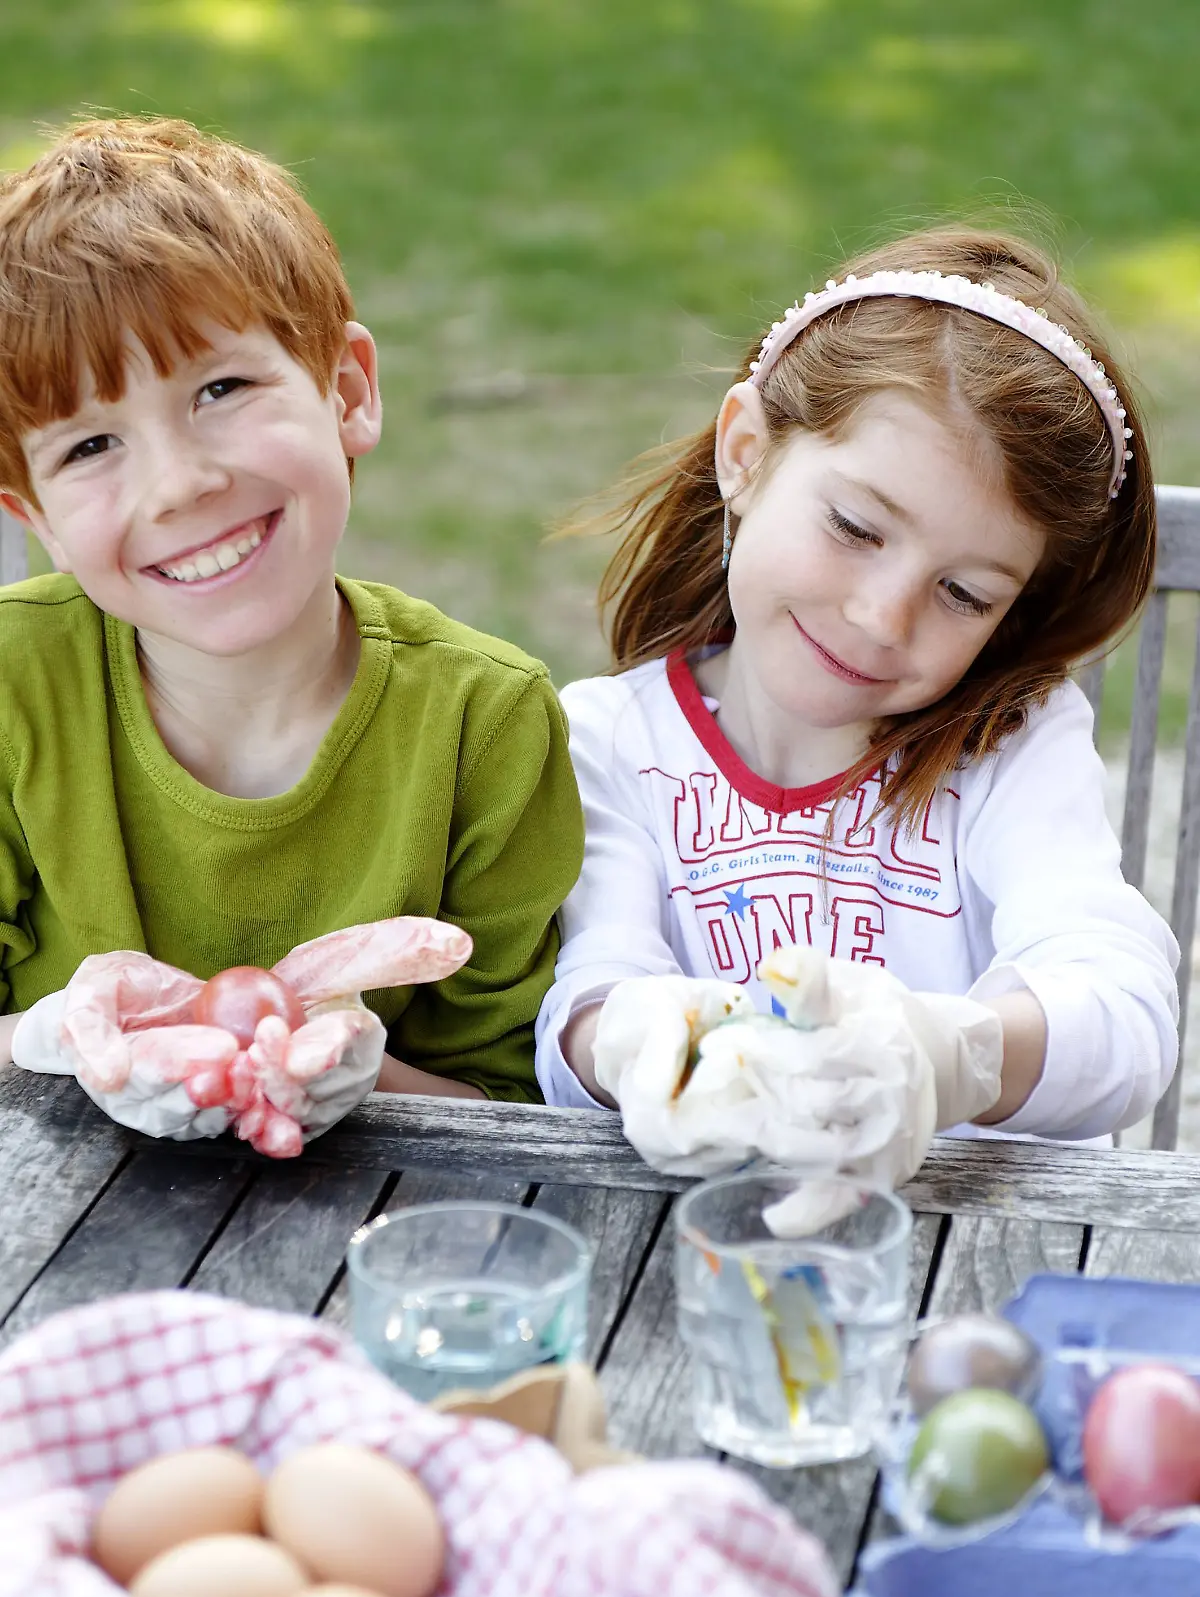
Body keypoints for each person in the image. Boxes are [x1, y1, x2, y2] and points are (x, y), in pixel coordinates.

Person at [535, 227, 1179, 1159]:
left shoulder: (1009, 744)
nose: (885, 618)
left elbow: (1123, 1010)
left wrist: (958, 1056)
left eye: (965, 594)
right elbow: (587, 1008)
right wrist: (638, 1043)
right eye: (855, 527)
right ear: (745, 453)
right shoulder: (608, 738)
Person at [0, 115, 583, 1103]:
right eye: (91, 447)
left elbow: (516, 1113)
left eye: (220, 387)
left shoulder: (486, 724)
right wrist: (67, 1038)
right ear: (34, 517)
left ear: (348, 389)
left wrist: (345, 1072)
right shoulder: (17, 684)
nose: (180, 484)